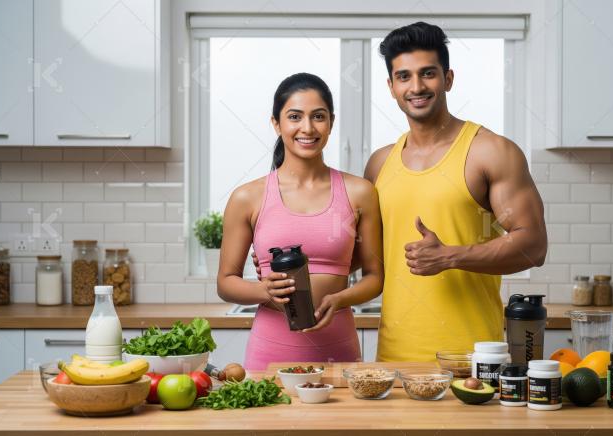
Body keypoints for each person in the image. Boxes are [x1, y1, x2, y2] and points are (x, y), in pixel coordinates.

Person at [363, 22, 548, 361]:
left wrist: (450, 256)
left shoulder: (491, 152)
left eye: (427, 73)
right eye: (404, 77)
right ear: (391, 87)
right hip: (394, 362)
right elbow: (366, 259)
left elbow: (533, 246)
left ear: (448, 78)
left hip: (473, 361)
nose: (416, 86)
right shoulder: (379, 164)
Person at [217, 73, 383, 371]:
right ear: (276, 124)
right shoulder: (247, 197)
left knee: (343, 418)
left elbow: (374, 277)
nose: (307, 128)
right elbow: (226, 282)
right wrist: (263, 291)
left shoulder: (360, 192)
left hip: (339, 351)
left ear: (330, 122)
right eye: (295, 117)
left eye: (318, 117)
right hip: (270, 353)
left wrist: (340, 299)